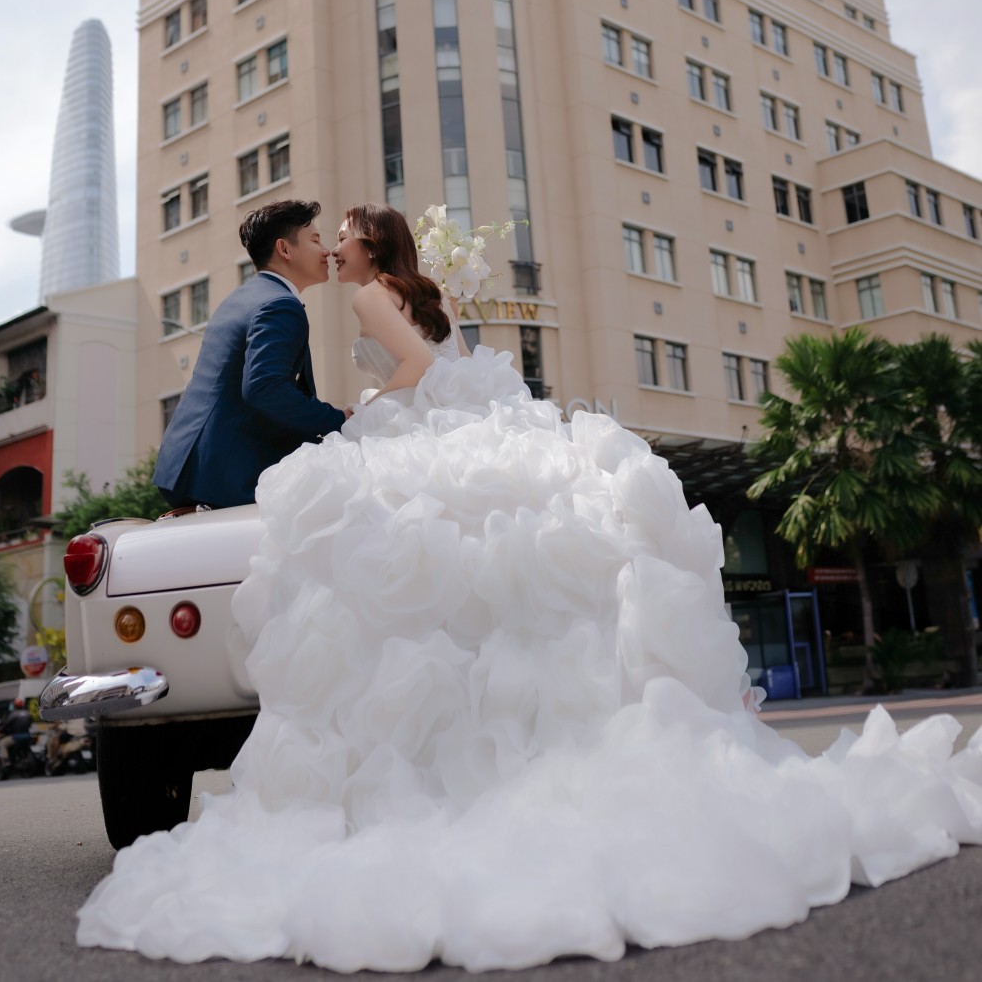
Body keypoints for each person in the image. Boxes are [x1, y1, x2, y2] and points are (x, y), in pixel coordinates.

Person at [78, 203, 982, 971]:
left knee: (398, 562)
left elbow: (406, 372)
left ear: (365, 249)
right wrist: (347, 420)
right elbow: (351, 375)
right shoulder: (339, 297)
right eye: (322, 236)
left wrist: (360, 418)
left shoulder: (350, 297)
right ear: (292, 249)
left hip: (355, 431)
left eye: (340, 235)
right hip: (311, 444)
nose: (330, 245)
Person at [154, 199, 349, 510]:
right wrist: (337, 419)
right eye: (315, 240)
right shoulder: (279, 305)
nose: (326, 251)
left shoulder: (240, 298)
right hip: (226, 471)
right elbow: (265, 387)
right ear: (284, 249)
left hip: (187, 464)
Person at [0, 698, 33, 763]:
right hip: (27, 736)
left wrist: (1, 729)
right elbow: (30, 724)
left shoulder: (13, 714)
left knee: (2, 743)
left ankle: (6, 761)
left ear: (15, 706)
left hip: (16, 737)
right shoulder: (27, 713)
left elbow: (6, 724)